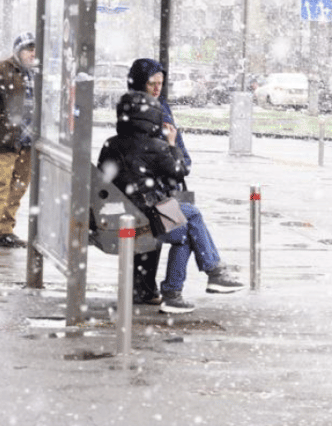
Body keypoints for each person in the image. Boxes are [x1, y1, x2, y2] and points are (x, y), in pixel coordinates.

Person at [97, 91, 243, 314]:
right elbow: (180, 170)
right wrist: (172, 143)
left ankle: (200, 280)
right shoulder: (155, 146)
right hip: (139, 223)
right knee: (190, 219)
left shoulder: (111, 144)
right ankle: (200, 279)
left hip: (113, 220)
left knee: (185, 230)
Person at [125, 58, 192, 307]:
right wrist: (174, 150)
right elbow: (168, 161)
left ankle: (149, 288)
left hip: (148, 195)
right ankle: (173, 290)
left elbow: (177, 160)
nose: (157, 88)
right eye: (152, 83)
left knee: (183, 227)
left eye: (161, 83)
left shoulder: (155, 109)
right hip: (151, 197)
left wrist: (178, 155)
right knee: (187, 226)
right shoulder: (143, 115)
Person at [0, 32, 37, 250]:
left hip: (29, 141)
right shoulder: (0, 69)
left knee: (19, 187)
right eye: (29, 49)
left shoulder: (38, 74)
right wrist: (2, 127)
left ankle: (5, 230)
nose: (33, 53)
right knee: (0, 184)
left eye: (35, 49)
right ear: (18, 51)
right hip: (5, 140)